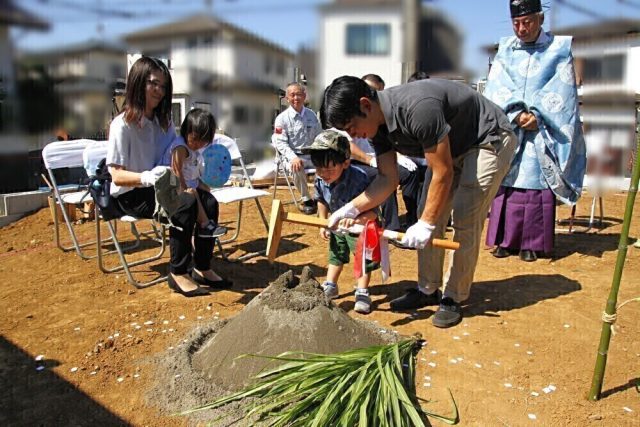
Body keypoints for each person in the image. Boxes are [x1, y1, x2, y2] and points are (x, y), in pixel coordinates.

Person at [320, 75, 517, 328]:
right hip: (453, 146)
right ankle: (428, 289)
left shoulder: (417, 108)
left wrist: (424, 223)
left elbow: (442, 171)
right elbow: (387, 180)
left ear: (365, 105)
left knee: (465, 215)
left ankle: (453, 296)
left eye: (351, 127)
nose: (353, 135)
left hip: (487, 139)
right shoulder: (377, 127)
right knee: (429, 210)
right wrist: (349, 209)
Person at [107, 56, 231, 297]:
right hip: (133, 193)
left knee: (208, 202)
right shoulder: (122, 125)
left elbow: (174, 158)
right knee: (184, 203)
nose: (159, 91)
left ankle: (202, 266)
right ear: (138, 82)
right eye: (153, 83)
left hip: (163, 185)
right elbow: (117, 176)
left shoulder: (164, 122)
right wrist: (148, 178)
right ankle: (178, 271)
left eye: (163, 86)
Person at [483, 0, 587, 262]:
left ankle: (532, 243)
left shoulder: (559, 49)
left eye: (527, 22)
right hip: (511, 126)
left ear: (540, 19)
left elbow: (562, 90)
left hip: (542, 132)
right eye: (516, 23)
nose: (521, 28)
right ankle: (504, 240)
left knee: (534, 184)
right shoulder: (505, 49)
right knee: (506, 181)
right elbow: (497, 85)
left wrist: (539, 115)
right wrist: (515, 113)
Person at [302, 130, 380, 314]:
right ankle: (331, 285)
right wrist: (322, 221)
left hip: (361, 229)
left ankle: (362, 291)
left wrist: (357, 221)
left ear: (345, 163)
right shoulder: (320, 179)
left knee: (362, 260)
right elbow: (321, 200)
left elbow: (374, 211)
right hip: (337, 228)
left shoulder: (361, 179)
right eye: (319, 168)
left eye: (329, 169)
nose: (324, 173)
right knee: (335, 255)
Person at [347, 74, 420, 231]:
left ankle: (413, 221)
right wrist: (370, 160)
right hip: (359, 162)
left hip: (378, 157)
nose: (376, 96)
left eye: (379, 91)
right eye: (372, 91)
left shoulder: (382, 114)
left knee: (410, 173)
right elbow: (348, 146)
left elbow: (389, 145)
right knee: (385, 179)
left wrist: (399, 157)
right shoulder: (351, 113)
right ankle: (391, 227)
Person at [167, 108, 226, 238]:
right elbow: (176, 171)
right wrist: (183, 189)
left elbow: (192, 170)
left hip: (192, 182)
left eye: (203, 141)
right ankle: (205, 225)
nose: (198, 144)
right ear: (186, 132)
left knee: (208, 195)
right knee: (192, 195)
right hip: (176, 186)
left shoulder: (193, 147)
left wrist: (200, 183)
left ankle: (204, 242)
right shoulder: (181, 147)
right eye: (195, 139)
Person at [272, 82, 322, 214]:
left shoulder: (312, 115)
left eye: (299, 94)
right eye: (292, 95)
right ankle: (306, 199)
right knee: (296, 166)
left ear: (304, 96)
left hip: (311, 154)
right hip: (292, 156)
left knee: (326, 164)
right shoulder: (281, 119)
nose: (296, 98)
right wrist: (293, 157)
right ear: (287, 98)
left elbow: (319, 136)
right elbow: (280, 143)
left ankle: (319, 197)